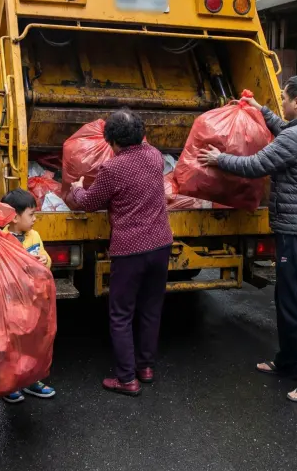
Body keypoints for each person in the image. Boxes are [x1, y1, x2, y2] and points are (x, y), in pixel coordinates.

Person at [197, 75, 297, 404]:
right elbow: (285, 132)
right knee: (287, 298)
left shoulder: (296, 137)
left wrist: (219, 160)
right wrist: (261, 110)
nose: (281, 102)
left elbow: (257, 164)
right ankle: (289, 362)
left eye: (284, 98)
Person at [69, 109, 173, 397]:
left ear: (112, 141)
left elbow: (89, 203)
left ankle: (127, 379)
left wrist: (76, 189)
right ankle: (146, 367)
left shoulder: (112, 169)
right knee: (151, 309)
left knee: (121, 314)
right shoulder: (155, 156)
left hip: (130, 250)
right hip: (161, 244)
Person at [0, 188, 57, 404]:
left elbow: (45, 257)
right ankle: (10, 384)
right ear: (14, 217)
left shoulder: (35, 236)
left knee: (34, 342)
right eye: (31, 215)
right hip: (11, 305)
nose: (35, 219)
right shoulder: (2, 238)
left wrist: (44, 260)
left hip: (33, 302)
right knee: (12, 344)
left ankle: (33, 380)